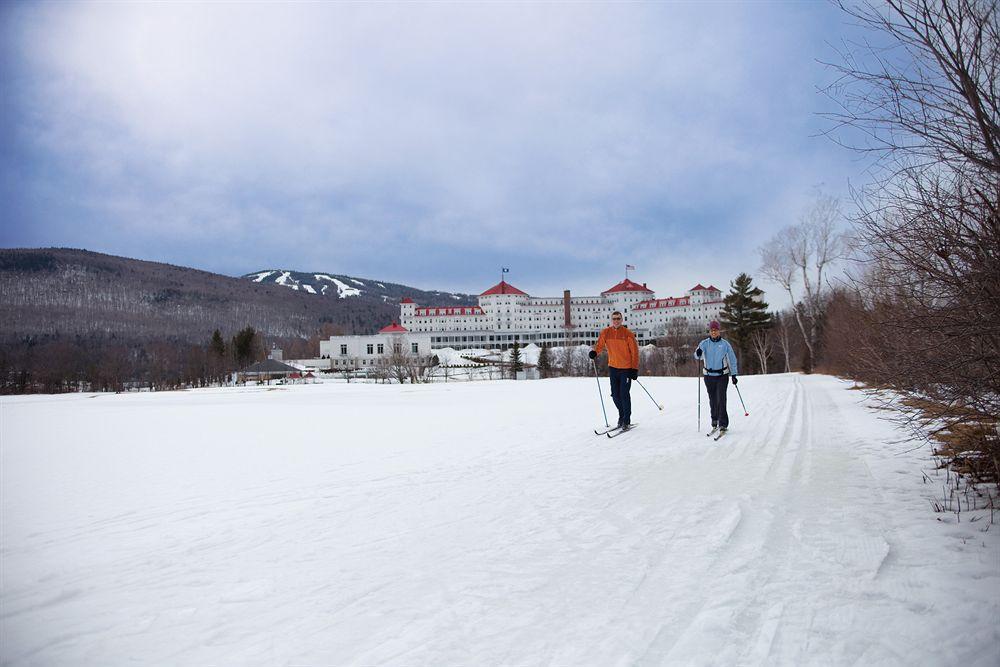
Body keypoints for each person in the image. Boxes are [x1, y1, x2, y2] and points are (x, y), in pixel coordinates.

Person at [589, 311, 640, 429]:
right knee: (615, 395)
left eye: (618, 318)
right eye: (614, 319)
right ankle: (621, 415)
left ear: (622, 320)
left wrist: (634, 369)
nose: (616, 321)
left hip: (626, 369)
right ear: (611, 320)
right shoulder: (606, 332)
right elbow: (600, 346)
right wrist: (594, 352)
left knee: (624, 394)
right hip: (613, 368)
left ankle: (626, 420)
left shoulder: (628, 334)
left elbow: (635, 352)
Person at [694, 320, 738, 435]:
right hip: (708, 376)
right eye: (712, 330)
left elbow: (732, 359)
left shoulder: (725, 344)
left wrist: (734, 374)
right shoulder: (704, 343)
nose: (713, 332)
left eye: (715, 330)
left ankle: (723, 424)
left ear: (719, 331)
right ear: (710, 331)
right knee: (712, 399)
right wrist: (698, 352)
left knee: (721, 399)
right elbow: (696, 355)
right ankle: (715, 420)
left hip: (722, 375)